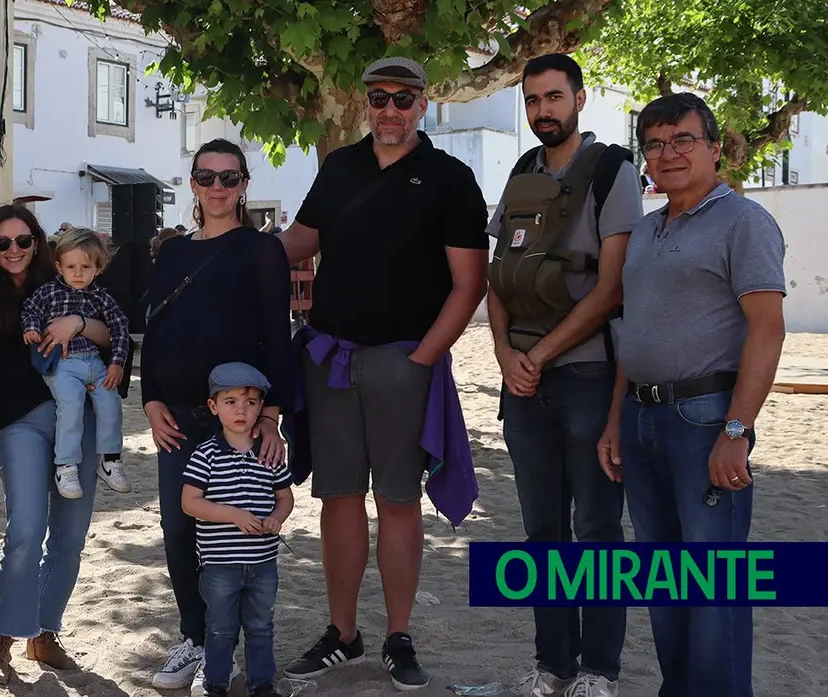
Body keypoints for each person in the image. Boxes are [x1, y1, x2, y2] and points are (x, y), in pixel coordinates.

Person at [276, 57, 487, 690]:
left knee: (398, 501)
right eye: (378, 98)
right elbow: (298, 241)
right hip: (330, 359)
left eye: (403, 99)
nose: (389, 110)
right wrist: (227, 247)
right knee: (337, 498)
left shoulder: (451, 178)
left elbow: (469, 283)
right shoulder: (340, 167)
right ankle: (343, 633)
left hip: (405, 361)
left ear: (424, 105)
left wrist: (421, 359)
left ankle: (398, 636)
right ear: (366, 102)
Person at [597, 93, 786, 697]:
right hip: (641, 417)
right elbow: (635, 330)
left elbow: (767, 329)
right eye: (654, 143)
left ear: (713, 147)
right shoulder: (648, 229)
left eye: (682, 139)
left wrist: (738, 430)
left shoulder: (744, 221)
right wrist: (614, 420)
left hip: (706, 418)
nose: (668, 153)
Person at [484, 54, 643, 697]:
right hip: (521, 381)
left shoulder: (613, 171)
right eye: (531, 100)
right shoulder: (523, 171)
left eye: (553, 97)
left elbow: (609, 291)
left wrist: (540, 355)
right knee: (541, 530)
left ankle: (599, 671)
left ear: (579, 98)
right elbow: (499, 278)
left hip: (586, 376)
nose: (541, 111)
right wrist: (503, 356)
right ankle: (553, 666)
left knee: (598, 529)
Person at [142, 138, 293, 695]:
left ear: (245, 185)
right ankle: (198, 637)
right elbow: (154, 329)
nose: (218, 188)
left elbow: (279, 336)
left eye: (229, 178)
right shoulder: (173, 251)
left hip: (241, 419)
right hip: (177, 415)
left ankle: (228, 644)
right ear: (193, 184)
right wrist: (150, 400)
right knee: (180, 528)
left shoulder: (261, 250)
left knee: (239, 531)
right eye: (207, 178)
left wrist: (272, 418)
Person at [0, 205, 118, 684]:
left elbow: (116, 337)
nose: (13, 250)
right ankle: (2, 642)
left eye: (23, 241)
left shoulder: (68, 283)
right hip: (21, 424)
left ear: (38, 244)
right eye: (2, 242)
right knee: (25, 532)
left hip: (82, 423)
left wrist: (77, 324)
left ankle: (45, 632)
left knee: (72, 537)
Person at [182, 362, 294, 697]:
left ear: (261, 407)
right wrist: (233, 515)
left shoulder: (269, 454)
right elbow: (190, 503)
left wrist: (278, 518)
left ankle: (261, 684)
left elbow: (285, 498)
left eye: (250, 402)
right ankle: (216, 684)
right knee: (220, 629)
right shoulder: (206, 455)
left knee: (261, 626)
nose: (241, 410)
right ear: (214, 407)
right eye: (231, 402)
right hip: (220, 564)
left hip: (262, 562)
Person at [21, 226, 132, 498]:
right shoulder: (48, 293)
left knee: (111, 404)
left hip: (94, 362)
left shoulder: (101, 297)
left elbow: (120, 328)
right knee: (70, 407)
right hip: (63, 363)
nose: (78, 273)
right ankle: (66, 465)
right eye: (71, 266)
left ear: (98, 267)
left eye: (86, 266)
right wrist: (31, 328)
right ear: (59, 266)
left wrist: (116, 363)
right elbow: (30, 310)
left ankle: (110, 459)